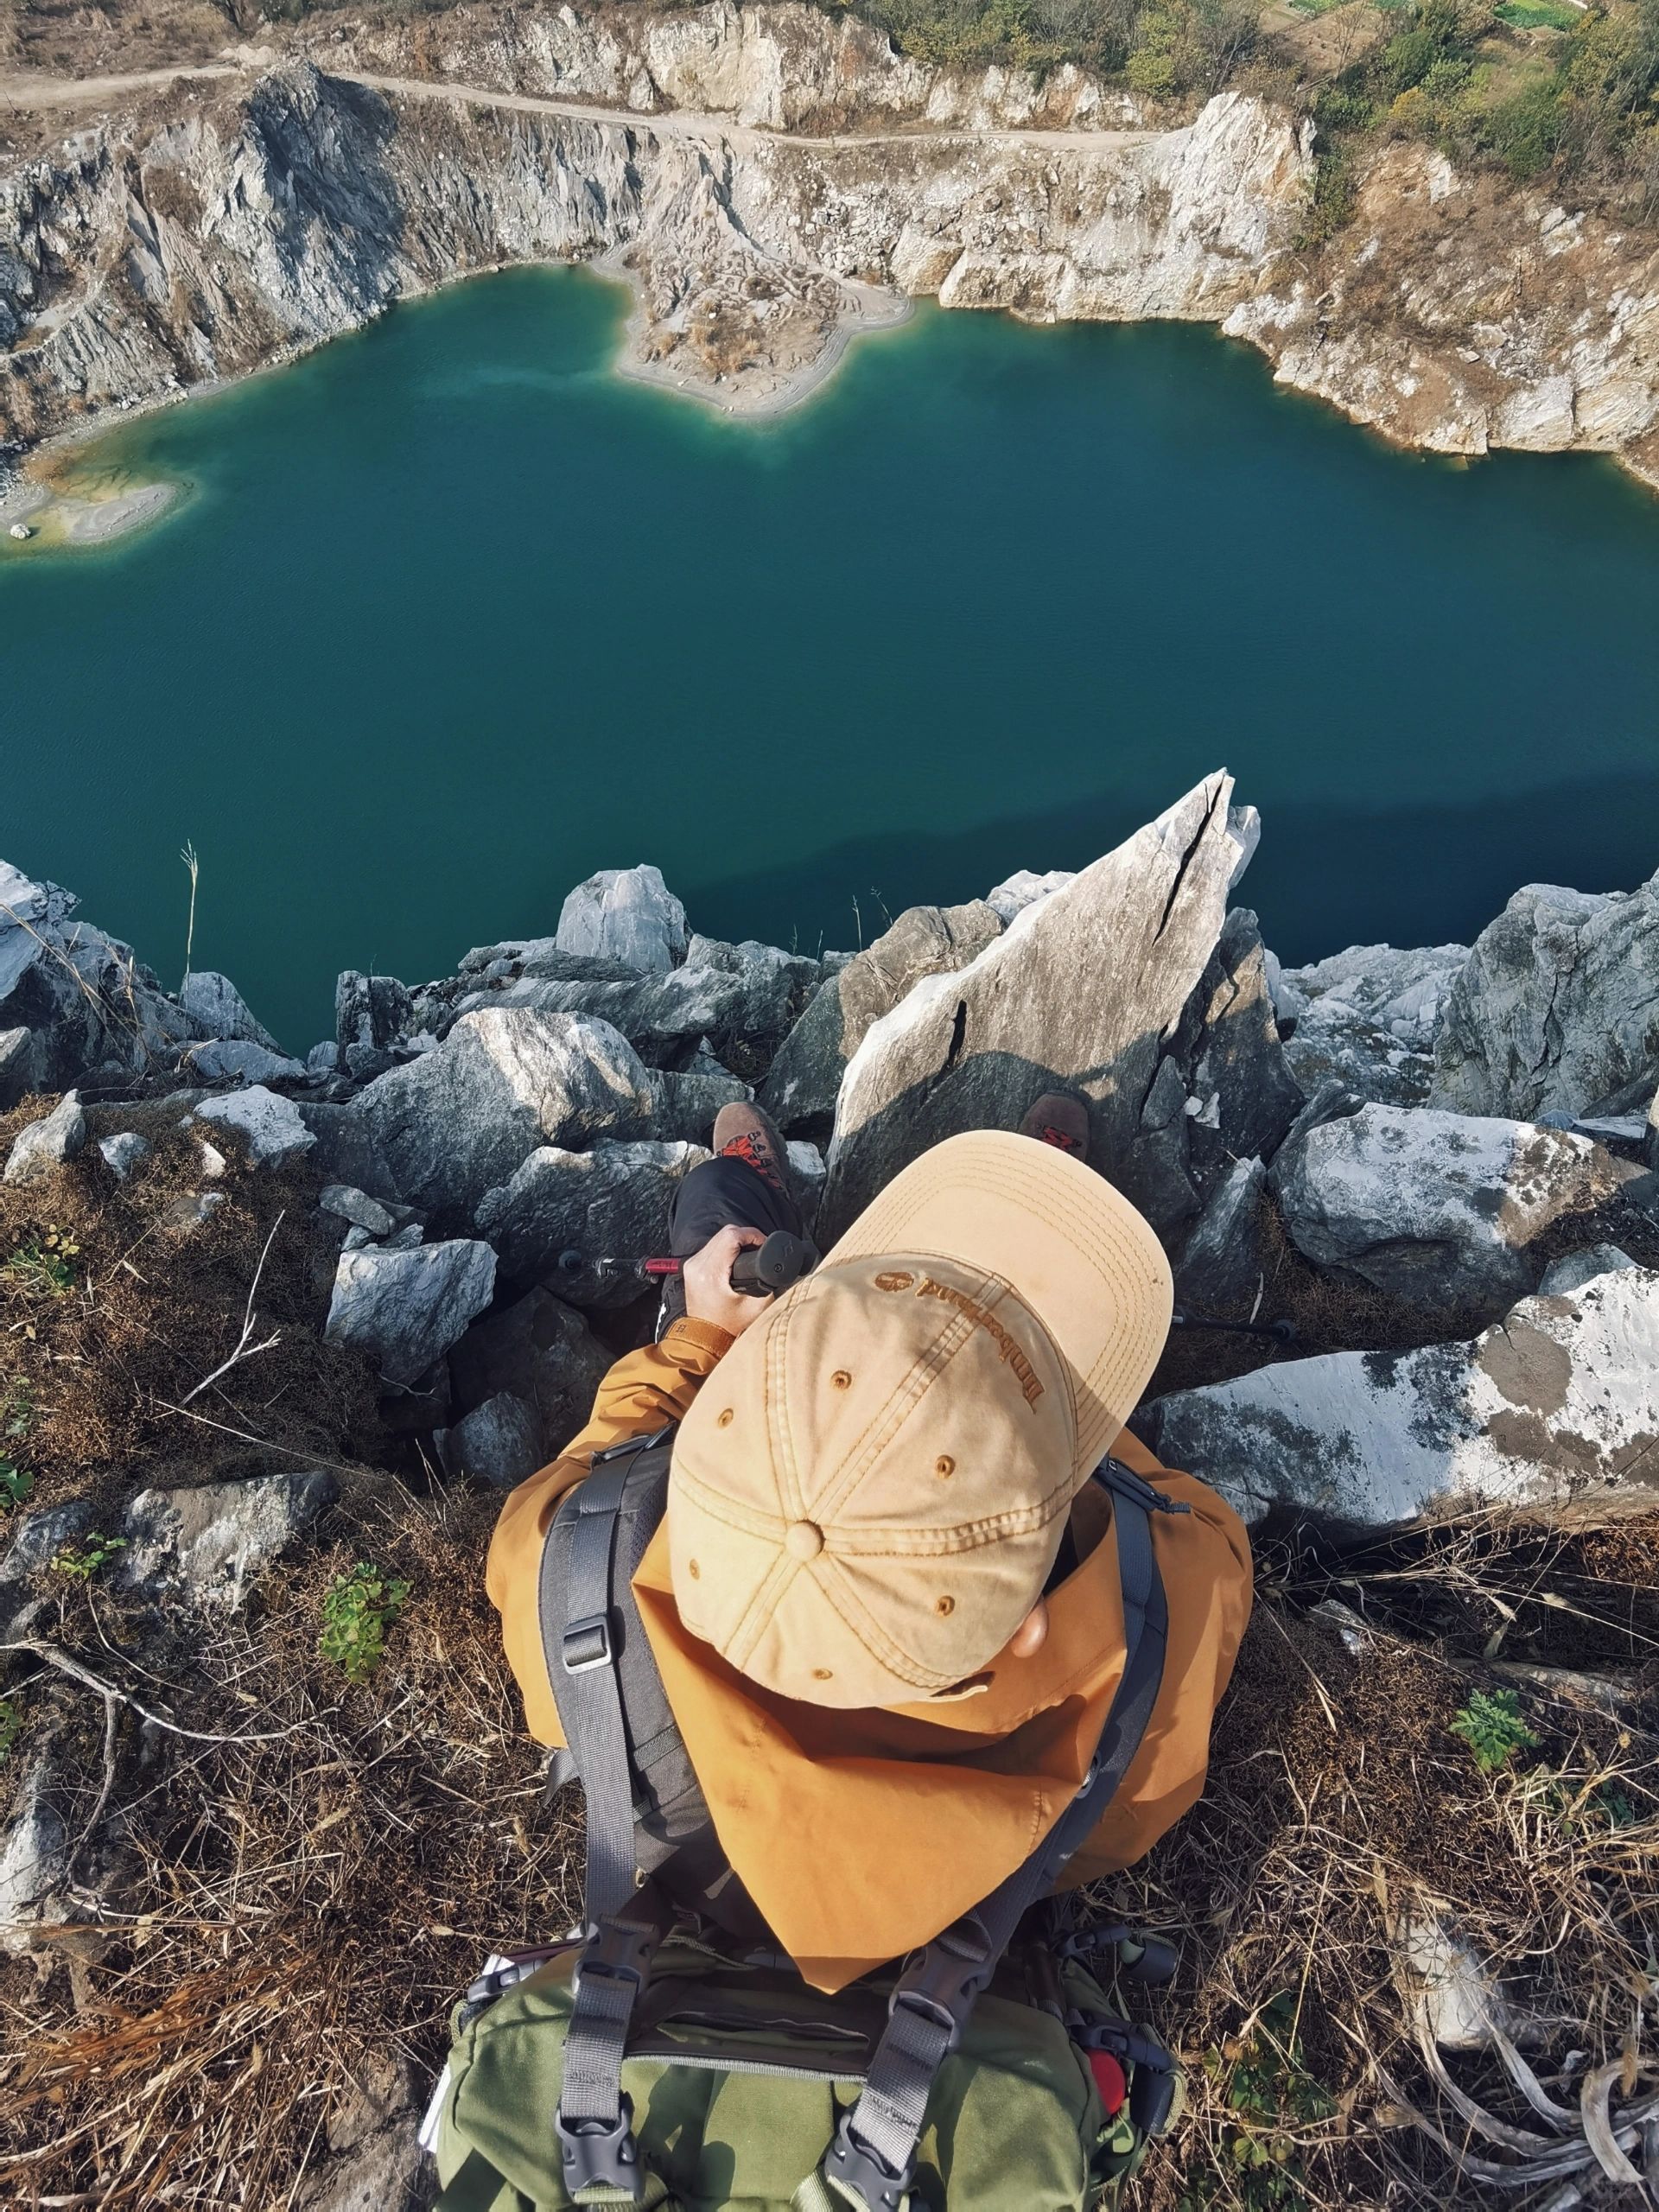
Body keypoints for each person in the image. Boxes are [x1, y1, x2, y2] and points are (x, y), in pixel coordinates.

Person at [486, 1098, 1253, 1995]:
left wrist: (700, 1341)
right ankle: (1055, 1213)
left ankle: (754, 1212)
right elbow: (1200, 1520)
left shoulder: (572, 1593)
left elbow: (593, 1471)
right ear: (1023, 1634)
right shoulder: (1160, 1641)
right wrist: (1030, 1428)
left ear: (698, 1474)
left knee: (718, 1197)